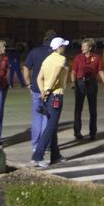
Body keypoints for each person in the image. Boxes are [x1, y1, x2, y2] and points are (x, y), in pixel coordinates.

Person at [32, 37, 71, 168]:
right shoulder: (61, 59)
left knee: (52, 125)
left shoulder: (47, 59)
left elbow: (39, 78)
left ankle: (56, 155)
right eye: (63, 46)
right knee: (51, 127)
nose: (65, 47)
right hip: (55, 96)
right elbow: (55, 74)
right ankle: (37, 156)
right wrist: (48, 89)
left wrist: (43, 90)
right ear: (59, 47)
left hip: (48, 96)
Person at [22, 30, 57, 149]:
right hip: (50, 89)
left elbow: (26, 68)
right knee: (47, 117)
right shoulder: (55, 53)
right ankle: (44, 145)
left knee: (37, 117)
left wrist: (28, 84)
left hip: (37, 88)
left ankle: (35, 144)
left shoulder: (34, 51)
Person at [71, 38, 104, 140]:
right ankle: (77, 132)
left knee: (93, 109)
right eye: (82, 46)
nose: (82, 48)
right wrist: (73, 82)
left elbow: (100, 71)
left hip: (92, 83)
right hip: (80, 83)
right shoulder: (78, 58)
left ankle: (93, 132)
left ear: (90, 47)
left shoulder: (97, 58)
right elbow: (73, 71)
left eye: (84, 46)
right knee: (78, 109)